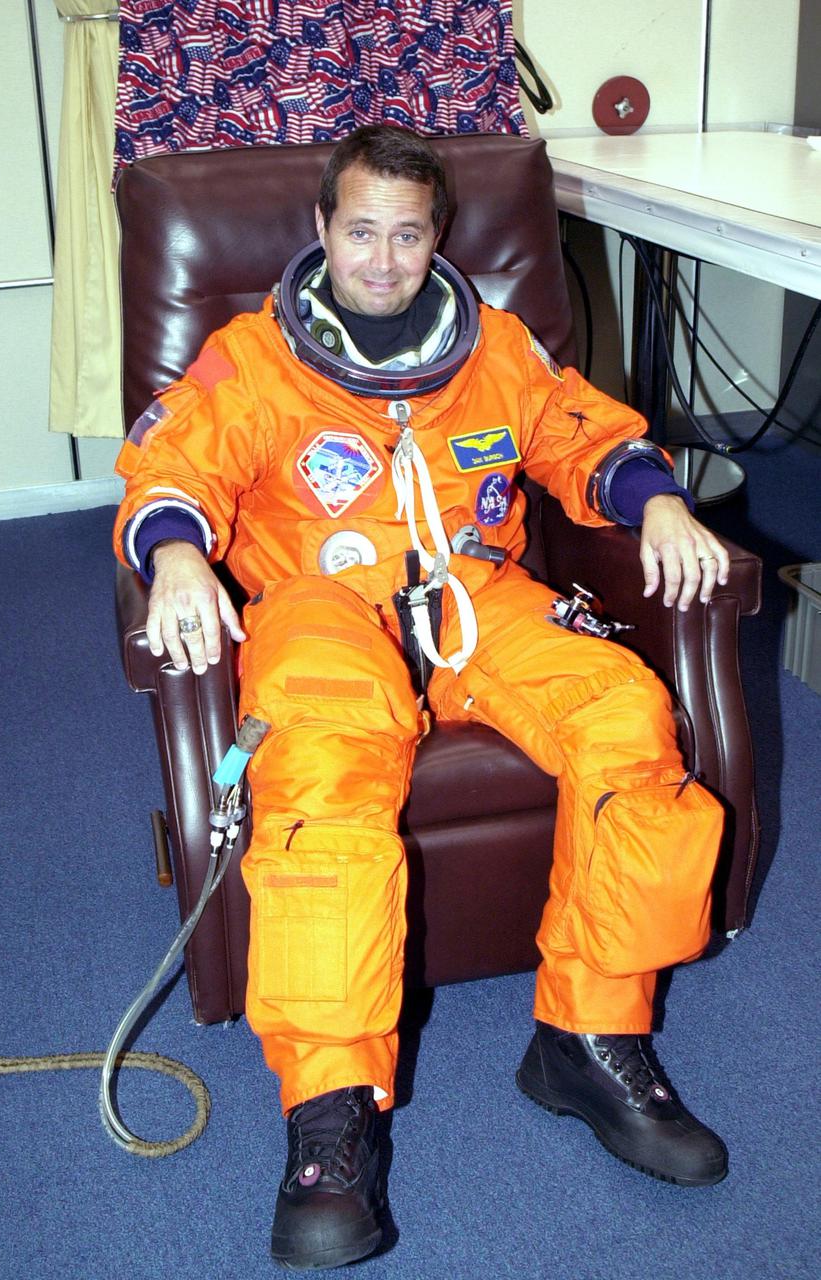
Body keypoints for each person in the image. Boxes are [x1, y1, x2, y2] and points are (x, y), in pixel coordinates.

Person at [114, 125, 731, 1270]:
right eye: (362, 232)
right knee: (325, 783)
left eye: (409, 233)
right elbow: (170, 470)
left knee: (628, 720)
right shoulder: (250, 360)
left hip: (474, 595)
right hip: (320, 603)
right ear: (321, 230)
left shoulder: (492, 346)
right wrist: (180, 554)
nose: (386, 260)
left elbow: (580, 431)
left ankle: (591, 1033)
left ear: (437, 235)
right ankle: (329, 1114)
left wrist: (651, 499)